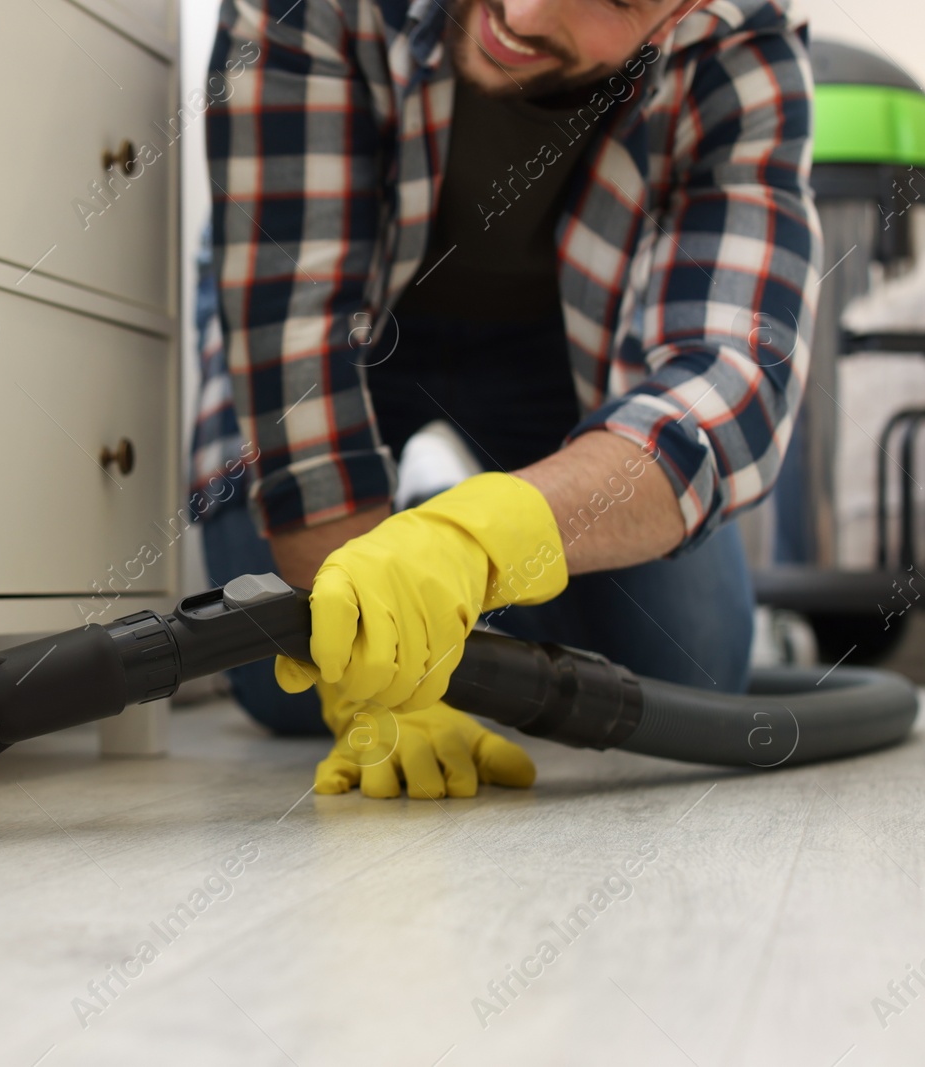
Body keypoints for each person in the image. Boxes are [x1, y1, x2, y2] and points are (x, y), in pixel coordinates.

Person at [197, 0, 820, 799]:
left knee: (690, 662)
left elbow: (729, 377)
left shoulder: (741, 50)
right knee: (268, 671)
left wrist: (491, 538)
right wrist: (372, 682)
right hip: (344, 326)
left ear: (680, 14)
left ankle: (439, 534)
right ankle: (418, 542)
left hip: (561, 359)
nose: (521, 13)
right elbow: (295, 349)